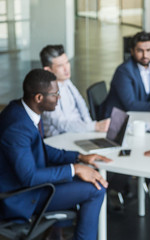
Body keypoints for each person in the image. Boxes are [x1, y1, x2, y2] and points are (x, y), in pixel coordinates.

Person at [0, 69, 112, 240]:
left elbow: (40, 149)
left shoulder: (22, 110)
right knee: (96, 189)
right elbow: (29, 177)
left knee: (87, 177)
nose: (59, 97)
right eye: (55, 94)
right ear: (39, 98)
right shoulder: (17, 128)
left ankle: (57, 233)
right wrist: (74, 169)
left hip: (30, 184)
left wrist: (78, 157)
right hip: (22, 196)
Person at [101, 31, 150, 117]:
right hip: (118, 118)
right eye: (140, 51)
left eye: (148, 50)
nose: (145, 55)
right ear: (132, 51)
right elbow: (130, 104)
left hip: (140, 115)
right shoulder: (124, 71)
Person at [40, 44, 110, 137]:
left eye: (67, 62)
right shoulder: (46, 92)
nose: (67, 68)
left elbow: (81, 105)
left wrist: (91, 128)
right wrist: (94, 126)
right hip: (61, 139)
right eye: (61, 66)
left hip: (79, 132)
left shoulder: (66, 81)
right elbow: (62, 125)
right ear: (48, 70)